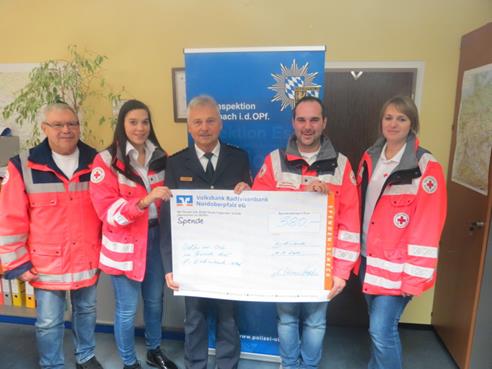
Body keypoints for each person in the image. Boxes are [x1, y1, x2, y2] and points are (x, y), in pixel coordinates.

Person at [253, 96, 360, 369]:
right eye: (301, 120)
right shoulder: (274, 161)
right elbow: (257, 210)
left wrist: (342, 271)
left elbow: (349, 222)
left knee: (315, 321)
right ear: (293, 123)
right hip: (282, 260)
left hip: (321, 263)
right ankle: (290, 366)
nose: (307, 126)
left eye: (314, 120)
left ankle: (309, 367)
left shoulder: (341, 164)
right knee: (287, 319)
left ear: (324, 123)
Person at [0, 103, 104, 369]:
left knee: (87, 312)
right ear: (44, 128)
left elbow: (107, 209)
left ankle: (86, 356)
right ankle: (51, 364)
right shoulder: (22, 165)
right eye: (58, 125)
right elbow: (9, 221)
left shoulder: (98, 162)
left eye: (72, 124)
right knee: (48, 322)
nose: (66, 130)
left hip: (87, 258)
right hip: (45, 264)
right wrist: (18, 264)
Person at [357, 96, 447, 369]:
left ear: (412, 124)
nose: (393, 124)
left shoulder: (426, 166)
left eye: (401, 118)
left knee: (381, 331)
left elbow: (428, 225)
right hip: (368, 259)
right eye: (388, 117)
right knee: (377, 328)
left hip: (399, 267)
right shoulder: (369, 157)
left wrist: (414, 278)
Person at [162, 95, 251, 369]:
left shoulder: (239, 158)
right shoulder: (176, 163)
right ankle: (196, 365)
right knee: (195, 318)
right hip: (193, 259)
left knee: (228, 318)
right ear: (189, 127)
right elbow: (167, 219)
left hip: (229, 256)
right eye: (197, 122)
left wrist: (249, 193)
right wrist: (169, 265)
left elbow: (251, 211)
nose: (204, 127)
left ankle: (227, 365)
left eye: (210, 121)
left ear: (220, 124)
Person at [89, 100, 177, 369]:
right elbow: (108, 212)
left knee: (154, 301)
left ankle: (154, 350)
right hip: (125, 245)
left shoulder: (161, 156)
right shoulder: (105, 161)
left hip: (155, 240)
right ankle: (129, 361)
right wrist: (143, 201)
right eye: (133, 122)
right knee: (126, 310)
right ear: (122, 125)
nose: (140, 128)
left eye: (145, 122)